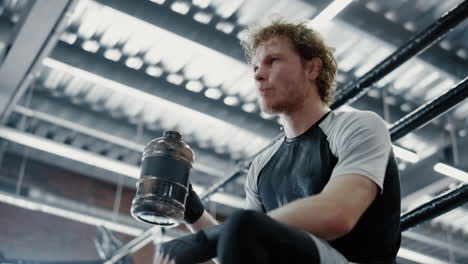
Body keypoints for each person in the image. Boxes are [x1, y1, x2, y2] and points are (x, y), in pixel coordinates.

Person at [154, 19, 401, 264]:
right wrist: (195, 213)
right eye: (255, 68)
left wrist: (206, 240)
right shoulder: (262, 166)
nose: (259, 74)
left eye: (273, 61)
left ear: (312, 69)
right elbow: (239, 248)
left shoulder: (357, 125)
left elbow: (338, 214)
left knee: (245, 224)